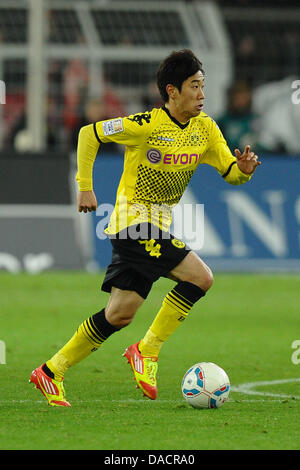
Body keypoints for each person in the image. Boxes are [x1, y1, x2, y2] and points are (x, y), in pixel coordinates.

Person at [29, 49, 261, 407]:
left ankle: (51, 371)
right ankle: (147, 350)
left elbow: (229, 173)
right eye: (194, 86)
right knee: (201, 277)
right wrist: (85, 185)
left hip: (153, 227)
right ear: (172, 91)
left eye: (203, 86)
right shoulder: (146, 124)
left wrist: (242, 171)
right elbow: (89, 134)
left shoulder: (205, 129)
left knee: (119, 314)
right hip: (132, 223)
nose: (202, 94)